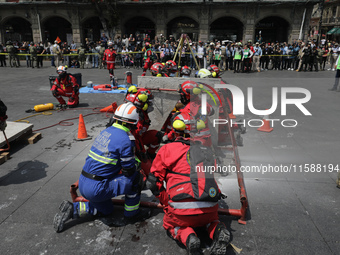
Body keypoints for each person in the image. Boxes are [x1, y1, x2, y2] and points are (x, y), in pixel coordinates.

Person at [53, 103, 149, 233]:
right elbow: (128, 170)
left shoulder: (105, 132)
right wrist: (137, 163)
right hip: (97, 188)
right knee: (135, 179)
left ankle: (73, 209)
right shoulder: (126, 139)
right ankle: (132, 215)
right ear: (133, 123)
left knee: (107, 210)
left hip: (84, 183)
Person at [146, 112, 230, 255]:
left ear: (176, 131)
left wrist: (166, 203)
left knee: (171, 225)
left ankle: (188, 236)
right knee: (211, 221)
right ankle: (217, 230)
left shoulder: (167, 149)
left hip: (180, 210)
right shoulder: (207, 151)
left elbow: (153, 183)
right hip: (209, 207)